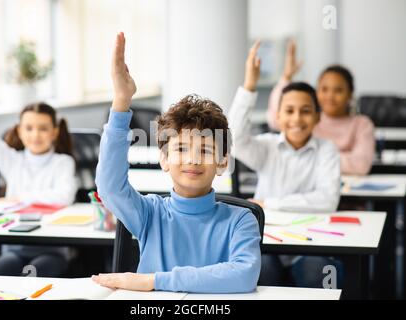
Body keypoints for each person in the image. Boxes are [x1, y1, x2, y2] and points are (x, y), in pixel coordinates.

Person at [91, 32, 261, 293]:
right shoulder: (150, 213)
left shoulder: (240, 220)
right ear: (164, 159)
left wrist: (153, 281)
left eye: (205, 150)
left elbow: (243, 275)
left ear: (223, 162)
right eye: (181, 149)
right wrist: (121, 101)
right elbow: (109, 186)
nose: (192, 158)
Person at [228, 41, 342, 288]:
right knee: (258, 275)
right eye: (289, 111)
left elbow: (327, 199)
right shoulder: (267, 146)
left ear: (317, 116)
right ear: (277, 116)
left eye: (305, 111)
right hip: (266, 240)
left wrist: (269, 203)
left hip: (310, 243)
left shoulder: (327, 149)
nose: (297, 119)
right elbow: (234, 139)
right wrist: (249, 86)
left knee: (319, 276)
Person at [0, 50, 77, 277]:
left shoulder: (63, 163)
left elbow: (63, 196)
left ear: (55, 132)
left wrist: (18, 199)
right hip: (15, 248)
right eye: (29, 128)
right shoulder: (13, 160)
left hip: (51, 250)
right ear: (19, 130)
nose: (35, 134)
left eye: (43, 128)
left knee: (33, 280)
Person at [267, 40, 375, 175]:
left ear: (350, 95)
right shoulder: (310, 119)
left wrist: (308, 157)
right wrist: (286, 77)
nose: (330, 96)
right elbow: (274, 119)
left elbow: (360, 166)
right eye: (324, 89)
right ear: (316, 92)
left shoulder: (362, 124)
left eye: (338, 90)